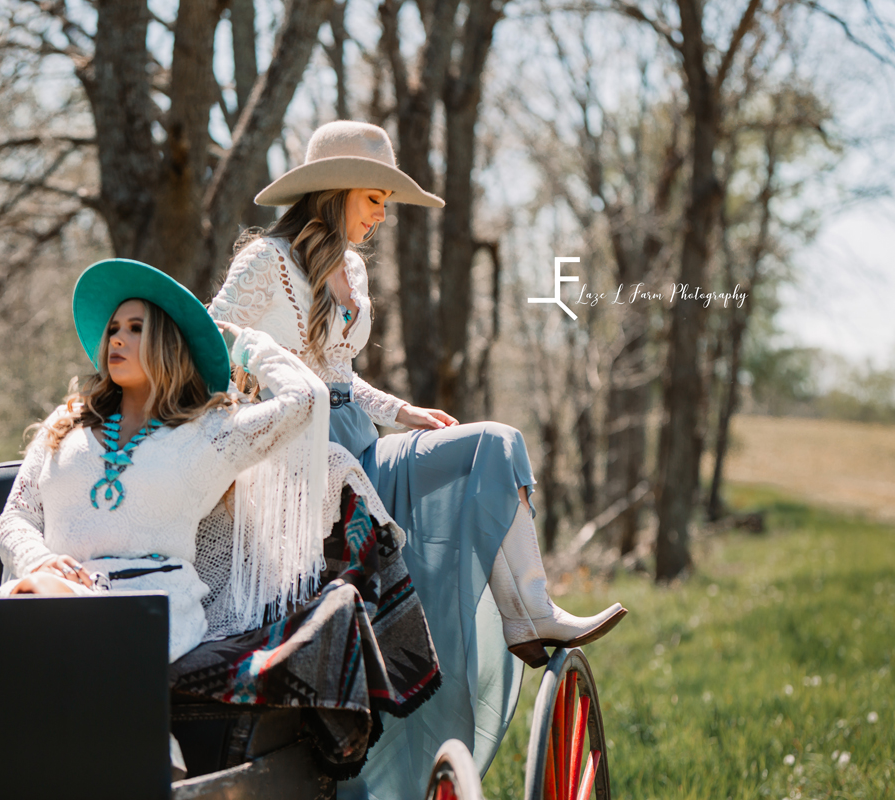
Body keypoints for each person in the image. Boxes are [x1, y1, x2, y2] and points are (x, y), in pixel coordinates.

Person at [208, 120, 626, 798]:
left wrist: (399, 411)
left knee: (494, 443)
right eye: (373, 198)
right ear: (336, 191)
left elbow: (343, 374)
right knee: (485, 448)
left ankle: (532, 610)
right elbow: (209, 333)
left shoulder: (353, 268)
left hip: (362, 442)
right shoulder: (265, 261)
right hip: (300, 459)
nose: (380, 215)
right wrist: (269, 376)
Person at [0, 258, 442, 777]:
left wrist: (248, 345)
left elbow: (307, 400)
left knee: (51, 615)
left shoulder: (209, 434)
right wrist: (42, 561)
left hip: (150, 604)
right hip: (49, 589)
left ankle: (149, 758)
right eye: (113, 329)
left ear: (169, 343)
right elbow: (14, 519)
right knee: (26, 605)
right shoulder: (66, 423)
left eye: (136, 329)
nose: (116, 339)